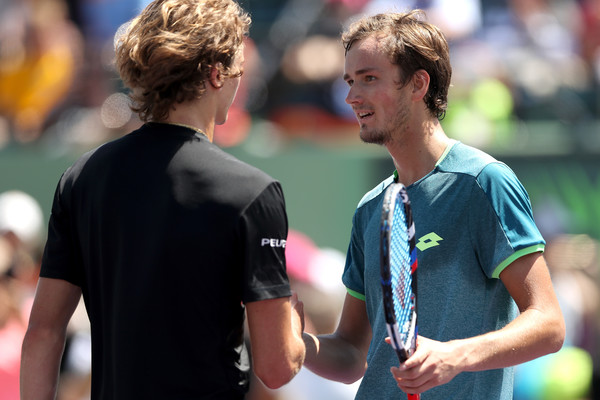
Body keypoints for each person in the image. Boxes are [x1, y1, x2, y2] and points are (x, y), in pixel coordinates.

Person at [20, 0, 305, 399]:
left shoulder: (81, 178)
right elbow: (276, 367)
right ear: (216, 73)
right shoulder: (253, 192)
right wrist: (294, 331)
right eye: (238, 68)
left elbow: (43, 333)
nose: (243, 81)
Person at [301, 10, 565, 400]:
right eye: (350, 81)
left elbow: (548, 324)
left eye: (369, 78)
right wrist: (297, 345)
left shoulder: (483, 183)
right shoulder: (371, 208)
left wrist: (456, 355)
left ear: (418, 84)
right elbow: (353, 354)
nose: (352, 97)